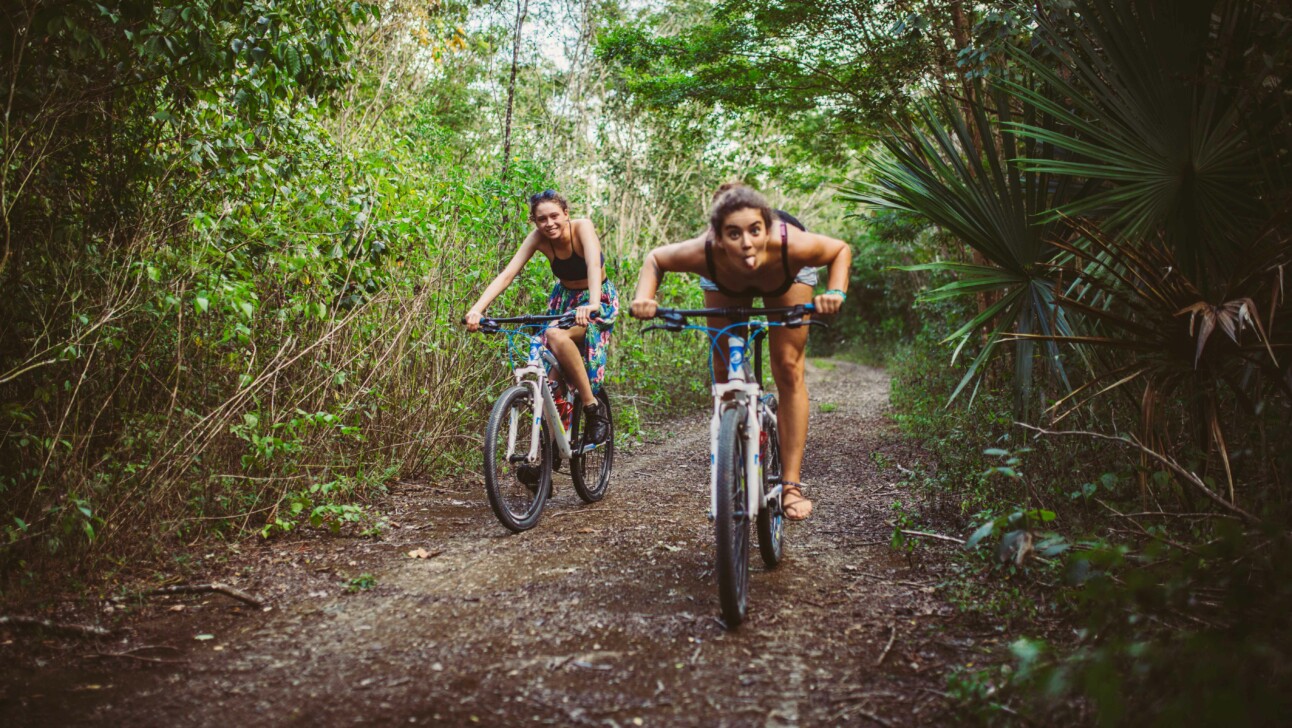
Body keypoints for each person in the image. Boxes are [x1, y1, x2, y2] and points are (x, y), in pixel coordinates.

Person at [629, 184, 852, 520]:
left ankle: (790, 486)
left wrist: (835, 291)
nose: (746, 242)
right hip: (724, 280)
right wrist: (645, 298)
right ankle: (728, 472)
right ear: (717, 236)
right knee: (723, 370)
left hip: (786, 277)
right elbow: (656, 259)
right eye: (733, 234)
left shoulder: (790, 243)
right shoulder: (704, 251)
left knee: (788, 367)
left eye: (754, 230)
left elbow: (839, 251)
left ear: (769, 225)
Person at [465, 189, 618, 444]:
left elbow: (593, 264)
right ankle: (548, 452)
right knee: (547, 378)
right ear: (534, 221)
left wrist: (591, 304)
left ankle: (593, 408)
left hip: (596, 299)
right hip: (564, 302)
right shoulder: (537, 238)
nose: (549, 224)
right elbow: (507, 275)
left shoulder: (582, 228)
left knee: (554, 335)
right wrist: (477, 309)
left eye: (554, 216)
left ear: (566, 213)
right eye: (541, 219)